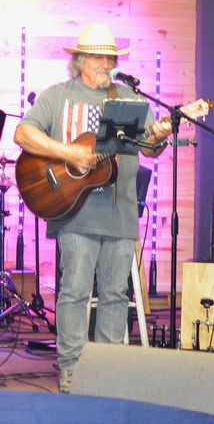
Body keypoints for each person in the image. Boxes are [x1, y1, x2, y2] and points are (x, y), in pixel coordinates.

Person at [14, 23, 172, 393]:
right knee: (75, 292)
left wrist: (160, 136)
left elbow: (150, 149)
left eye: (111, 58)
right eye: (99, 57)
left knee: (116, 295)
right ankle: (72, 368)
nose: (106, 64)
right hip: (75, 211)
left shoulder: (129, 98)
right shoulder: (58, 96)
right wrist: (70, 153)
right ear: (81, 59)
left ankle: (107, 371)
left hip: (120, 213)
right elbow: (23, 133)